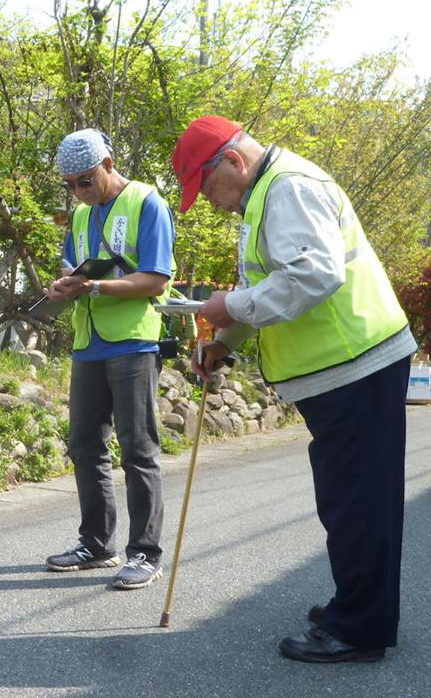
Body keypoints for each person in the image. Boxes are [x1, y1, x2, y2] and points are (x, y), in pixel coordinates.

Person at [172, 115, 416, 663]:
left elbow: (313, 275)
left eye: (207, 189)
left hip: (355, 363)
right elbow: (273, 286)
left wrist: (227, 307)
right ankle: (358, 605)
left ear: (232, 161)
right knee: (353, 498)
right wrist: (225, 341)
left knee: (356, 501)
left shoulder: (287, 189)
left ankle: (359, 627)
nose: (210, 202)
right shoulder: (267, 193)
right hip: (346, 367)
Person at [43, 128, 176, 589]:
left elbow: (156, 279)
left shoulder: (146, 203)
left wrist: (94, 286)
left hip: (134, 342)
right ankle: (97, 543)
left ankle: (146, 553)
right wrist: (62, 287)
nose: (79, 191)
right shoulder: (80, 216)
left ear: (109, 163)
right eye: (71, 184)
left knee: (138, 450)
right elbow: (71, 267)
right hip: (89, 341)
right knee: (84, 445)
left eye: (85, 180)